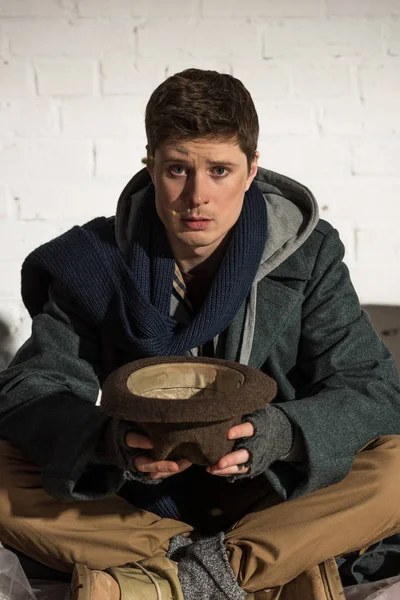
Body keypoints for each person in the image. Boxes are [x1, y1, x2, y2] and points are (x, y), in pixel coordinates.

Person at [0, 68, 399, 600]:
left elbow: (373, 387)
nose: (197, 195)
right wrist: (107, 442)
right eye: (177, 169)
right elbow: (31, 389)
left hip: (274, 493)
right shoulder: (91, 262)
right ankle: (245, 572)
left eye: (219, 170)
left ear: (252, 169)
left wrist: (281, 433)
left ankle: (165, 581)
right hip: (135, 502)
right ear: (150, 164)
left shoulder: (310, 255)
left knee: (395, 465)